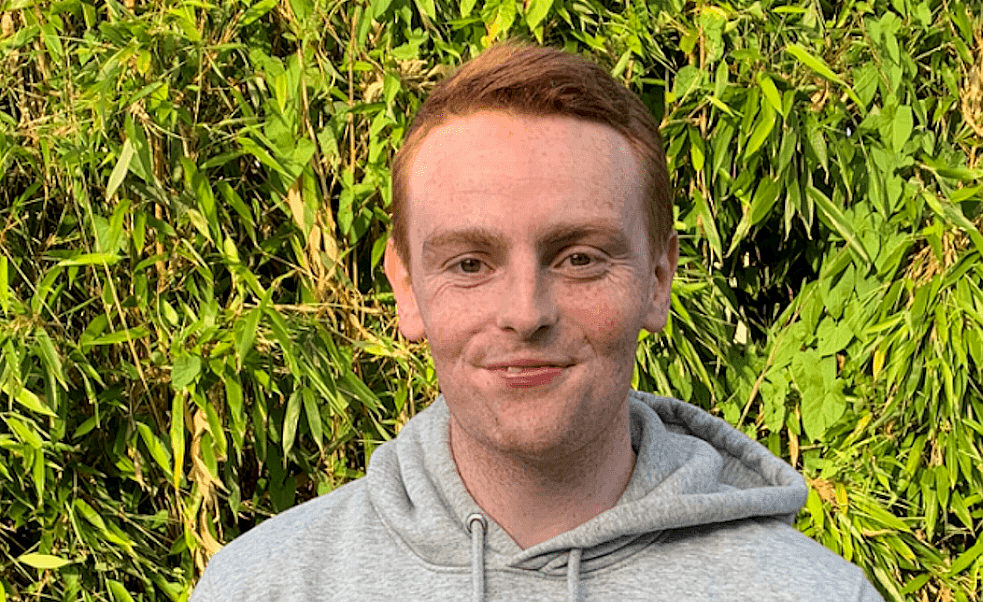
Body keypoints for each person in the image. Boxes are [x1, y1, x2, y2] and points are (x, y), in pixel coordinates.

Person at [191, 43, 883, 602]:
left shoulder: (812, 593)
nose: (526, 312)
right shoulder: (264, 587)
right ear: (406, 289)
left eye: (579, 257)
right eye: (469, 263)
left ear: (658, 281)